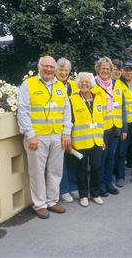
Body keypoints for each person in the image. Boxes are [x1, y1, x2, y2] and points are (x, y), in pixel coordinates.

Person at [17, 55, 72, 219]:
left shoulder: (60, 87)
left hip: (57, 135)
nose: (48, 69)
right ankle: (40, 204)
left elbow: (66, 111)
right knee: (37, 172)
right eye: (45, 66)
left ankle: (52, 201)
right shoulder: (29, 84)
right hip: (37, 136)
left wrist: (66, 132)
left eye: (51, 66)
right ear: (39, 67)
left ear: (55, 69)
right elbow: (23, 110)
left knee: (56, 170)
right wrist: (30, 134)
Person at [69, 72, 106, 207]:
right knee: (81, 169)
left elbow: (101, 119)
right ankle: (83, 195)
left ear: (91, 84)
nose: (85, 84)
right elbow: (70, 121)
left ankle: (95, 193)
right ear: (78, 84)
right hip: (80, 141)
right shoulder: (72, 99)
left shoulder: (98, 98)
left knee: (97, 167)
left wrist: (102, 138)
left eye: (87, 82)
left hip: (96, 140)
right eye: (82, 82)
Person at [95, 57, 127, 197]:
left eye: (108, 69)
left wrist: (124, 128)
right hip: (102, 128)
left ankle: (109, 183)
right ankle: (100, 184)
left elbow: (123, 108)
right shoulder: (93, 85)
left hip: (116, 126)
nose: (106, 71)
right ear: (98, 70)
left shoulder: (117, 85)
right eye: (103, 69)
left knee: (111, 157)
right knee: (101, 157)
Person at [55, 58, 79, 203]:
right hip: (60, 129)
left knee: (73, 157)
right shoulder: (52, 86)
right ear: (56, 71)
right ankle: (64, 189)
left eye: (66, 70)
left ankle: (73, 186)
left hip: (75, 127)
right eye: (61, 69)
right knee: (61, 160)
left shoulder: (73, 86)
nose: (63, 72)